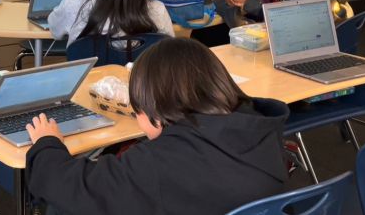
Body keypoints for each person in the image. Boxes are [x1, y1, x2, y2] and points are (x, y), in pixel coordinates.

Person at [25, 38, 289, 215]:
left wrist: (47, 143)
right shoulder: (261, 127)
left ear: (155, 112)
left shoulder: (160, 164)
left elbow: (74, 188)